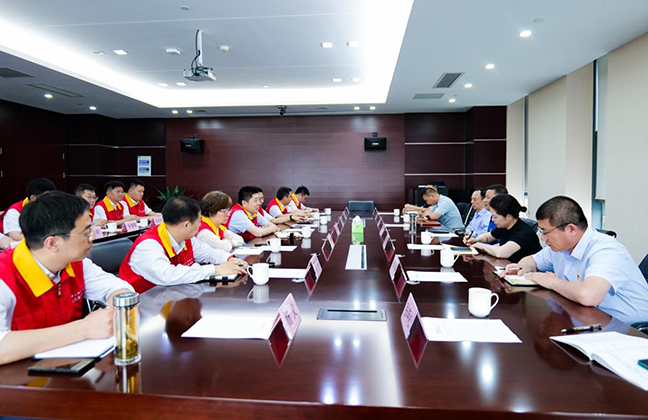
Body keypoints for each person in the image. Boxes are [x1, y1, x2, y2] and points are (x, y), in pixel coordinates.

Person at [0, 191, 133, 365]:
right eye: (86, 233)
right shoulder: (5, 276)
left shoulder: (76, 264)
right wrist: (84, 329)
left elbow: (122, 289)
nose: (92, 238)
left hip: (69, 367)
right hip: (19, 375)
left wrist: (108, 313)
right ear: (53, 243)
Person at [501, 196, 648, 325]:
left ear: (571, 229)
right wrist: (520, 268)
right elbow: (532, 260)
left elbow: (588, 295)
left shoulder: (606, 250)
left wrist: (553, 282)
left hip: (629, 329)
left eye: (545, 232)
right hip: (588, 318)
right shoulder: (560, 247)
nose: (543, 238)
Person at [119, 196, 247, 293]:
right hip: (144, 308)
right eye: (198, 221)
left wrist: (230, 259)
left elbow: (208, 252)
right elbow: (168, 275)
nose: (200, 225)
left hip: (173, 298)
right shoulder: (148, 245)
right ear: (186, 224)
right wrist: (216, 269)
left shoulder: (186, 237)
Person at [467, 194, 541, 262]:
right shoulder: (504, 227)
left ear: (508, 216)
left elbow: (501, 253)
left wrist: (481, 246)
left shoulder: (523, 233)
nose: (492, 219)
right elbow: (487, 237)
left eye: (495, 217)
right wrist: (475, 240)